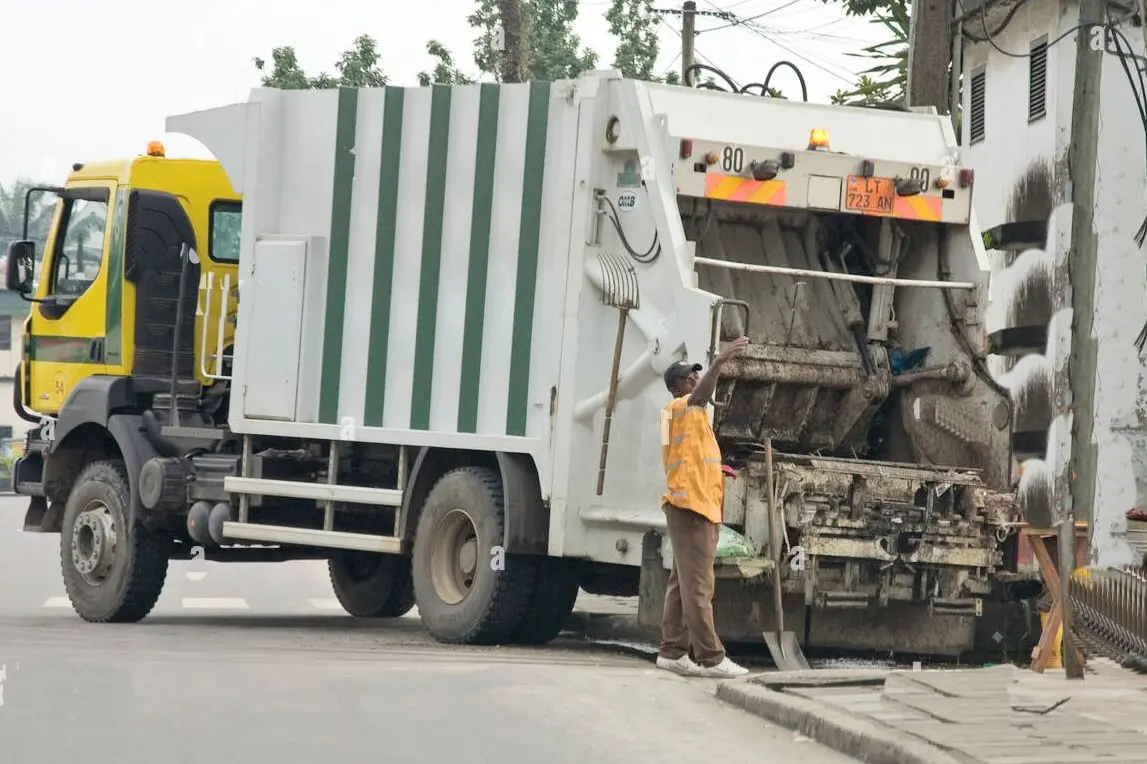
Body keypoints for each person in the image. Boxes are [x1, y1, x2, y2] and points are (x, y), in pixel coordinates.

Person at [655, 336, 751, 679]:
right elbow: (697, 398)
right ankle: (711, 657)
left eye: (696, 374)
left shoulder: (692, 419)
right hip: (691, 509)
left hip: (693, 507)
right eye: (688, 377)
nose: (695, 380)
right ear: (675, 388)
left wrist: (718, 470)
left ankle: (672, 652)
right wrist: (720, 362)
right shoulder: (680, 408)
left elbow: (690, 458)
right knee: (699, 587)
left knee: (681, 584)